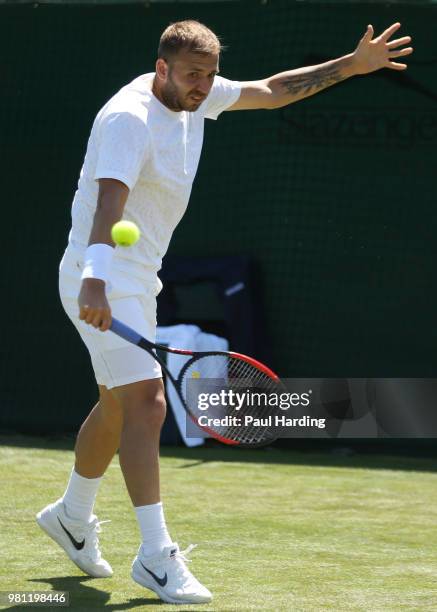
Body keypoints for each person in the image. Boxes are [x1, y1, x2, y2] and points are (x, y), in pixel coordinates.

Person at [36, 19, 412, 605]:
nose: (202, 87)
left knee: (117, 405)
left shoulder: (199, 94)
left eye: (209, 76)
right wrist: (95, 284)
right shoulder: (129, 121)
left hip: (135, 278)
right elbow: (108, 207)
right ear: (162, 68)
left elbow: (268, 90)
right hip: (101, 276)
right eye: (192, 76)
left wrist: (350, 65)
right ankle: (156, 557)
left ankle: (70, 516)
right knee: (147, 401)